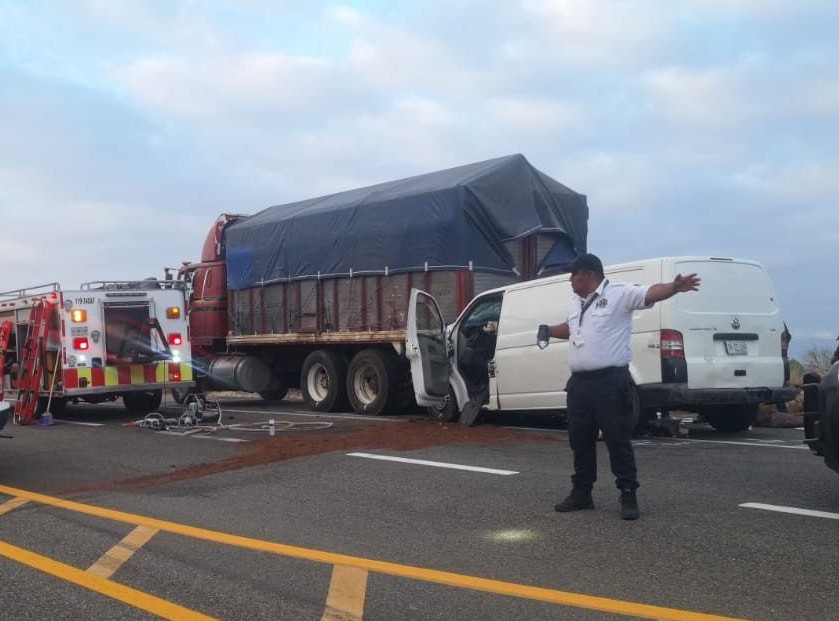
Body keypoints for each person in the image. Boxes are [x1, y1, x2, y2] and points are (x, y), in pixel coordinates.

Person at [547, 253, 700, 520]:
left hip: (610, 382)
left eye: (574, 274)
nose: (570, 280)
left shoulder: (619, 294)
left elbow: (650, 293)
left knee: (617, 441)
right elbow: (573, 329)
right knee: (580, 441)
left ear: (589, 275)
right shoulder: (576, 302)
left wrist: (674, 287)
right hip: (580, 385)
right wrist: (547, 330)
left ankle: (628, 494)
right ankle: (582, 493)